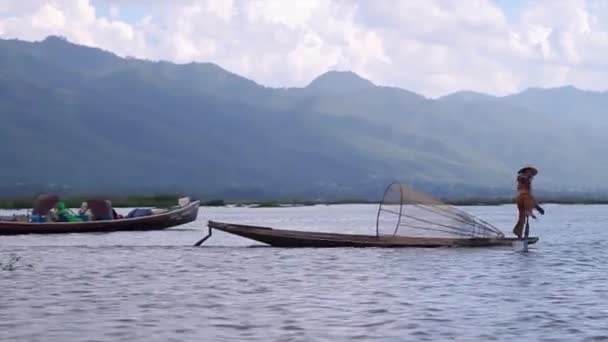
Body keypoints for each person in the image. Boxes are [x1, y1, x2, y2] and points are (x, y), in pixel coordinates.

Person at [513, 166, 544, 238]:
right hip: (523, 198)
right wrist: (526, 178)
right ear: (526, 171)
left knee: (522, 217)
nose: (532, 175)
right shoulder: (522, 177)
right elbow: (521, 178)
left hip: (524, 198)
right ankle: (529, 211)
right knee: (528, 201)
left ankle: (518, 234)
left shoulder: (527, 179)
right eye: (531, 173)